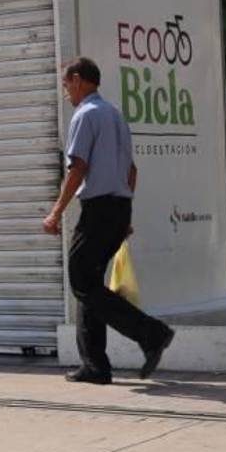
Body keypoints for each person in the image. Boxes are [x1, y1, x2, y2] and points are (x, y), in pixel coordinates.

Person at [43, 56, 174, 385]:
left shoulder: (85, 115)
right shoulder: (115, 115)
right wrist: (124, 211)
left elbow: (78, 167)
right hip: (117, 207)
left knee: (80, 279)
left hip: (100, 209)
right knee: (90, 284)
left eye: (65, 85)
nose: (65, 92)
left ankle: (151, 334)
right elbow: (131, 170)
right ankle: (96, 366)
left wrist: (57, 210)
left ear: (77, 79)